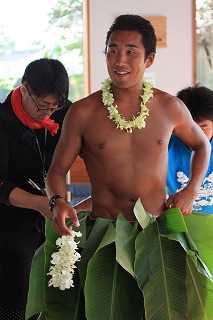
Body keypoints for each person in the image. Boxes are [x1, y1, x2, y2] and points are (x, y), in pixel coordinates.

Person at [27, 15, 211, 320]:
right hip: (104, 231)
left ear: (149, 58)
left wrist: (191, 190)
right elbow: (57, 169)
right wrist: (58, 201)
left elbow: (202, 145)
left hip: (156, 233)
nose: (119, 60)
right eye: (112, 50)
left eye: (130, 51)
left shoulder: (169, 107)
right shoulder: (83, 112)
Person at [0, 58, 71, 320]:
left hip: (48, 221)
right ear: (23, 89)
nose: (48, 114)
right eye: (42, 106)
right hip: (8, 229)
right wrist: (41, 203)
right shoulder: (2, 120)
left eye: (55, 106)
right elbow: (1, 184)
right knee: (15, 299)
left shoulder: (61, 111)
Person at [167, 84, 213, 213]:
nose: (197, 134)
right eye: (191, 128)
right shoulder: (165, 147)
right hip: (182, 225)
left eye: (203, 127)